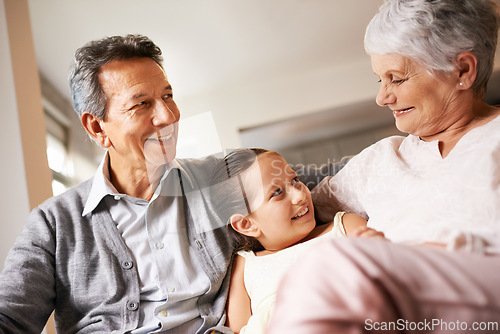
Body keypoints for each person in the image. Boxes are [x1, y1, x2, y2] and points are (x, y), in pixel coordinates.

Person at [267, 0, 500, 333]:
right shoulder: (378, 160)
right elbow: (292, 208)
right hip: (388, 316)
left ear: (462, 70)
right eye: (380, 80)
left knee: (333, 268)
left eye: (396, 78)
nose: (382, 97)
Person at [0, 34, 235, 334]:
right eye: (142, 104)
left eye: (168, 96)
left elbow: (304, 188)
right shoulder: (53, 223)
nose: (168, 116)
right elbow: (10, 318)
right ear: (98, 128)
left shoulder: (222, 177)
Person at [210, 148, 384, 334]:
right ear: (246, 224)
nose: (300, 195)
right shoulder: (245, 265)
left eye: (295, 180)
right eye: (277, 193)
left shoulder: (345, 226)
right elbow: (236, 330)